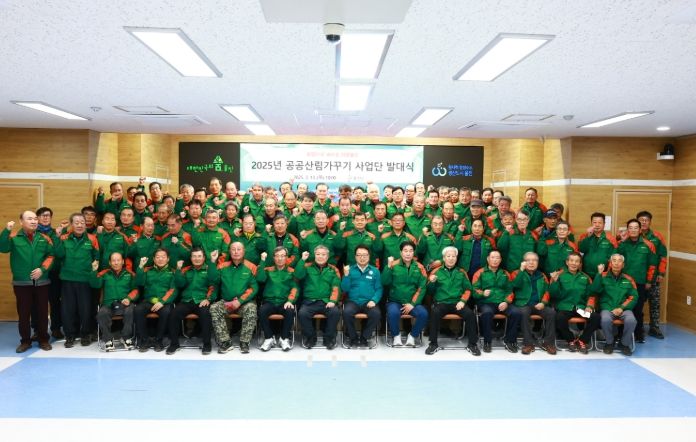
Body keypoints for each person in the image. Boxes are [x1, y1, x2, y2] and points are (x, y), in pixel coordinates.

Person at [0, 211, 55, 352]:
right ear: (21, 221)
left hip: (41, 282)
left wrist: (42, 269)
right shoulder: (13, 237)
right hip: (22, 283)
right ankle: (25, 341)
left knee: (42, 313)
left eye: (35, 219)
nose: (34, 221)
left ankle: (43, 339)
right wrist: (6, 230)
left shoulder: (44, 238)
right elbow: (3, 248)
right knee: (24, 314)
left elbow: (51, 256)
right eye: (29, 219)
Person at [54, 213, 100, 348]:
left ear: (86, 224)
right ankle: (70, 335)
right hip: (67, 279)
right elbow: (59, 254)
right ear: (71, 224)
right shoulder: (64, 238)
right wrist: (58, 237)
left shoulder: (92, 239)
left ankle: (85, 334)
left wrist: (93, 272)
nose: (80, 225)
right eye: (76, 222)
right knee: (68, 310)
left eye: (82, 222)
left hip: (85, 280)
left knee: (85, 309)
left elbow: (96, 257)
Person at [425, 246, 480, 355]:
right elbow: (429, 291)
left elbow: (468, 289)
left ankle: (472, 344)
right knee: (434, 312)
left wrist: (463, 301)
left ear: (456, 258)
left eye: (453, 256)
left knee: (470, 314)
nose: (451, 258)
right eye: (448, 256)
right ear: (444, 258)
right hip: (441, 303)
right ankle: (433, 344)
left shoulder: (461, 272)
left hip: (458, 303)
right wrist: (431, 282)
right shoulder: (436, 271)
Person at [209, 242, 259, 354]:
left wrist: (240, 301)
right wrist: (212, 261)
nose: (236, 252)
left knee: (251, 308)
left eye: (239, 249)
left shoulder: (251, 267)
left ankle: (244, 342)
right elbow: (213, 280)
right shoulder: (222, 266)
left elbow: (254, 288)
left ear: (244, 251)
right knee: (214, 308)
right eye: (233, 249)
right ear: (230, 252)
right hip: (227, 302)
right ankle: (225, 342)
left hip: (244, 303)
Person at [167, 247, 216, 355]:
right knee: (174, 314)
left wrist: (208, 299)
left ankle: (207, 344)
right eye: (194, 256)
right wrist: (178, 270)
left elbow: (214, 285)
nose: (197, 259)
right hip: (187, 300)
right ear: (191, 258)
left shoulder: (209, 269)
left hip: (201, 300)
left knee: (205, 314)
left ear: (204, 258)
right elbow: (180, 284)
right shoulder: (186, 270)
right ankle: (174, 344)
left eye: (199, 256)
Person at [617, 218, 658, 343]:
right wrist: (621, 241)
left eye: (636, 228)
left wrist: (649, 281)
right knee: (623, 308)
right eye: (630, 228)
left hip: (640, 283)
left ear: (640, 230)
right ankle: (621, 334)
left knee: (638, 309)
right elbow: (616, 258)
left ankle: (638, 334)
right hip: (623, 283)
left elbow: (652, 265)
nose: (633, 230)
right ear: (627, 230)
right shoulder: (623, 244)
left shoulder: (648, 245)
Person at [549, 252, 599, 354]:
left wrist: (589, 306)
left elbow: (591, 295)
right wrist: (555, 281)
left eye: (577, 261)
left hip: (580, 309)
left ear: (580, 264)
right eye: (571, 260)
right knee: (559, 318)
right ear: (567, 262)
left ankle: (582, 340)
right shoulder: (559, 275)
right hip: (565, 307)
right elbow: (554, 295)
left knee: (595, 317)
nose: (574, 263)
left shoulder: (585, 277)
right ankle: (571, 340)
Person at [508, 252, 557, 355]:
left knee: (551, 313)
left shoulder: (542, 275)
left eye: (534, 260)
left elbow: (547, 291)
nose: (531, 262)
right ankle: (528, 343)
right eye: (528, 260)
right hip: (523, 304)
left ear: (538, 263)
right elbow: (514, 286)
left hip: (538, 304)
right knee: (524, 312)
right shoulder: (516, 273)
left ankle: (548, 343)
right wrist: (521, 271)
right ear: (523, 262)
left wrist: (543, 302)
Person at [381, 241, 428, 347]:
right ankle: (396, 336)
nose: (408, 253)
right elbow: (384, 281)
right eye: (405, 251)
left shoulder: (420, 267)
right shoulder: (393, 265)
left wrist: (412, 304)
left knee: (423, 314)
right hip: (395, 301)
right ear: (401, 252)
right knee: (393, 313)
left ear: (413, 253)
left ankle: (412, 336)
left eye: (411, 251)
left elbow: (422, 287)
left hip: (412, 303)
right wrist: (388, 266)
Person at [472, 250, 519, 353]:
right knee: (487, 313)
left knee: (516, 312)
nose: (495, 260)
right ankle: (487, 342)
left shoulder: (505, 273)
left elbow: (510, 291)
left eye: (497, 258)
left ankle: (510, 341)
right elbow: (474, 290)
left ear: (501, 260)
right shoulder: (479, 273)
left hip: (502, 302)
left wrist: (506, 302)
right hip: (486, 302)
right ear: (488, 259)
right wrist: (482, 293)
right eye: (492, 257)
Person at [294, 247, 341, 349]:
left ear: (327, 257)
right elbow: (297, 275)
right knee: (302, 313)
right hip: (309, 301)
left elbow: (336, 287)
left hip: (326, 301)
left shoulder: (333, 269)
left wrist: (333, 301)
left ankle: (328, 338)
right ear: (314, 255)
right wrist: (302, 260)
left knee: (335, 312)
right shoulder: (306, 266)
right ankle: (311, 337)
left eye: (323, 254)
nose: (320, 256)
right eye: (318, 254)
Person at [592, 254, 638, 356]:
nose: (616, 263)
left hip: (624, 309)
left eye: (619, 261)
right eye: (614, 260)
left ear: (623, 265)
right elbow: (594, 290)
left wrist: (621, 308)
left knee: (631, 320)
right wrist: (599, 274)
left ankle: (624, 344)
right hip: (607, 308)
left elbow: (634, 297)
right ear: (610, 263)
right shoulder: (602, 276)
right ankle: (609, 343)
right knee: (605, 320)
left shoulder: (628, 279)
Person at [90, 252, 137, 350]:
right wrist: (94, 271)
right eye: (113, 260)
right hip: (108, 304)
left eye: (118, 260)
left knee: (131, 310)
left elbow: (135, 290)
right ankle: (108, 340)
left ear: (123, 261)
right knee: (102, 313)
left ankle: (126, 338)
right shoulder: (104, 274)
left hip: (125, 303)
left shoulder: (130, 274)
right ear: (110, 263)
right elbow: (95, 285)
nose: (116, 263)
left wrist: (129, 299)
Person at [134, 248, 176, 352]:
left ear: (168, 259)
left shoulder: (173, 272)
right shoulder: (147, 270)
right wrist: (140, 266)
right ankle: (144, 340)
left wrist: (162, 302)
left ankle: (159, 340)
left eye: (163, 257)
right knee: (138, 310)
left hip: (164, 302)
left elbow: (173, 290)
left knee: (166, 312)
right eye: (158, 257)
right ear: (153, 259)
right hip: (148, 300)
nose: (160, 259)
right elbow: (139, 282)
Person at [257, 247, 298, 351]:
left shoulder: (291, 271)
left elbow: (295, 288)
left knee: (290, 311)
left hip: (284, 302)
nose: (280, 258)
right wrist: (262, 261)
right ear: (274, 258)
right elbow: (260, 278)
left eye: (282, 256)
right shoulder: (268, 270)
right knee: (262, 311)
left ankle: (284, 338)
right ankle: (269, 338)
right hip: (270, 302)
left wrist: (290, 301)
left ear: (286, 258)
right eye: (277, 256)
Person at [340, 245, 382, 348]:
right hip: (352, 301)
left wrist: (374, 300)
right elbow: (344, 289)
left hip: (368, 301)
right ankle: (353, 337)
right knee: (346, 312)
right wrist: (346, 275)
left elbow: (379, 289)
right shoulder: (349, 270)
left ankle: (364, 337)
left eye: (364, 255)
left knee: (376, 314)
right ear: (355, 257)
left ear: (369, 256)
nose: (362, 258)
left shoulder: (375, 271)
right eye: (359, 255)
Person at [636, 210, 668, 339]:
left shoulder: (657, 237)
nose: (644, 222)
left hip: (654, 276)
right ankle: (638, 327)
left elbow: (663, 256)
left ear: (650, 222)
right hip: (637, 276)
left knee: (654, 302)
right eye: (641, 220)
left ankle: (654, 327)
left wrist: (661, 273)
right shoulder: (632, 235)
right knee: (637, 303)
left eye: (646, 220)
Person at [36, 206, 63, 339]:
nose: (45, 217)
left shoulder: (56, 233)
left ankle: (56, 328)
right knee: (37, 303)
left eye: (48, 215)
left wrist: (58, 236)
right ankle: (37, 330)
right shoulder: (33, 233)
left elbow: (60, 253)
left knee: (55, 301)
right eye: (43, 215)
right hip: (38, 273)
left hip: (54, 273)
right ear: (37, 218)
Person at [578, 212, 618, 279]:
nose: (597, 225)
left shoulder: (611, 238)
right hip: (586, 273)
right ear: (591, 223)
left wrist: (608, 272)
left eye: (600, 223)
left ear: (604, 224)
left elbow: (613, 257)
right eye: (594, 222)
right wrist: (588, 236)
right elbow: (581, 249)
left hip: (603, 274)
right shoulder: (584, 236)